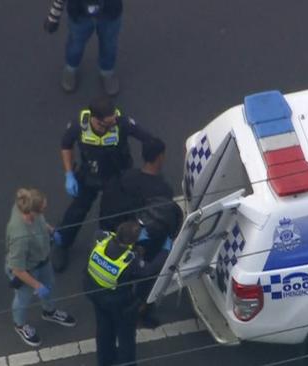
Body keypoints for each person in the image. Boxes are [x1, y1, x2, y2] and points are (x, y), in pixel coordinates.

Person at [53, 96, 153, 273]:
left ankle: (112, 250)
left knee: (113, 215)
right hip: (89, 174)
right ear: (96, 121)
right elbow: (65, 145)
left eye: (114, 119)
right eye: (109, 122)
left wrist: (146, 168)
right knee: (76, 210)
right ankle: (63, 242)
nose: (114, 123)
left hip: (116, 176)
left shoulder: (122, 123)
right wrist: (69, 173)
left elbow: (148, 139)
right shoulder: (79, 125)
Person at [99, 137, 182, 327]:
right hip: (146, 242)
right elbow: (164, 219)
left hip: (123, 235)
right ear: (160, 157)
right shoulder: (162, 189)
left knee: (125, 278)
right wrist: (165, 248)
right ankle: (140, 312)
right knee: (146, 279)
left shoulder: (127, 177)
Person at [84, 220, 171, 366]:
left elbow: (104, 234)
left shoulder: (100, 238)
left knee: (104, 330)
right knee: (126, 337)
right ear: (132, 241)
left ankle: (105, 361)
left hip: (95, 294)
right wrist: (165, 251)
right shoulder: (129, 261)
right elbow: (149, 270)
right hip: (119, 304)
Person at [5, 188, 76, 347]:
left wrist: (51, 231)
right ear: (32, 211)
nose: (45, 209)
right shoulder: (20, 236)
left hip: (42, 260)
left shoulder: (27, 208)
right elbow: (18, 269)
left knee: (49, 285)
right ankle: (20, 325)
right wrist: (37, 285)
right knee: (23, 298)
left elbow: (41, 221)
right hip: (27, 269)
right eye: (43, 208)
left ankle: (49, 311)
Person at [43, 0, 124, 95]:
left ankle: (107, 71)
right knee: (76, 45)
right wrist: (54, 16)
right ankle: (71, 68)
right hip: (80, 14)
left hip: (110, 13)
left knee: (109, 45)